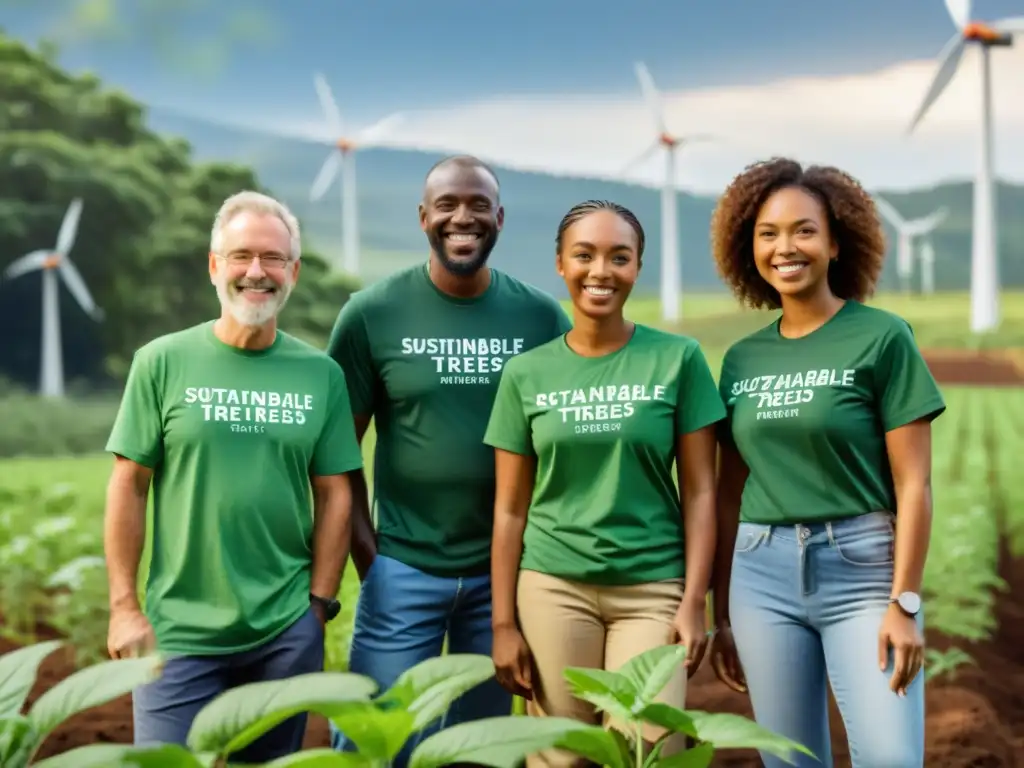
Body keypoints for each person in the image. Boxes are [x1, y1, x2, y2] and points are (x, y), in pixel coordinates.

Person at [325, 155, 573, 765]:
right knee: (373, 741)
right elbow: (337, 455)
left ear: (500, 218)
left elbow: (567, 442)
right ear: (423, 218)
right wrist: (369, 558)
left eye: (478, 205)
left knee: (483, 748)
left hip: (505, 579)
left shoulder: (540, 318)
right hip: (402, 567)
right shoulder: (371, 314)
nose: (463, 217)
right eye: (447, 205)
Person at [103, 191, 362, 761]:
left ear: (293, 272)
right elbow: (129, 484)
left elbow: (336, 492)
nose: (256, 272)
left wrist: (318, 606)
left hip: (284, 632)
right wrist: (124, 608)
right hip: (177, 637)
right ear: (214, 265)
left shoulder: (321, 375)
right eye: (241, 255)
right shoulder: (161, 362)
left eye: (273, 258)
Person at [706, 158, 945, 768]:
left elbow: (913, 484)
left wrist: (906, 603)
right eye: (768, 233)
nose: (786, 247)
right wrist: (722, 613)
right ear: (748, 248)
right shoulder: (740, 361)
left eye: (804, 230)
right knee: (789, 760)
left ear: (837, 242)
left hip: (861, 570)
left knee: (891, 759)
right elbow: (729, 493)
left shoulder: (882, 337)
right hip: (759, 574)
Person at [483, 200, 724, 768]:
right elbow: (510, 511)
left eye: (619, 257)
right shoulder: (526, 373)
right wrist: (502, 623)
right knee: (561, 758)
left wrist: (695, 602)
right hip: (551, 589)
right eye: (584, 255)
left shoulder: (678, 359)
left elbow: (702, 493)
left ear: (637, 267)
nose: (601, 271)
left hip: (652, 590)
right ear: (560, 265)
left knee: (647, 747)